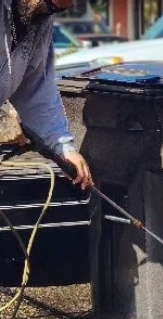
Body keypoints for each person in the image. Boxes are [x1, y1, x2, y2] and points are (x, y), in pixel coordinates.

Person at [0, 0, 93, 190]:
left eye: (55, 9)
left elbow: (36, 89)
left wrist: (63, 148)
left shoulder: (39, 17)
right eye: (49, 4)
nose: (48, 12)